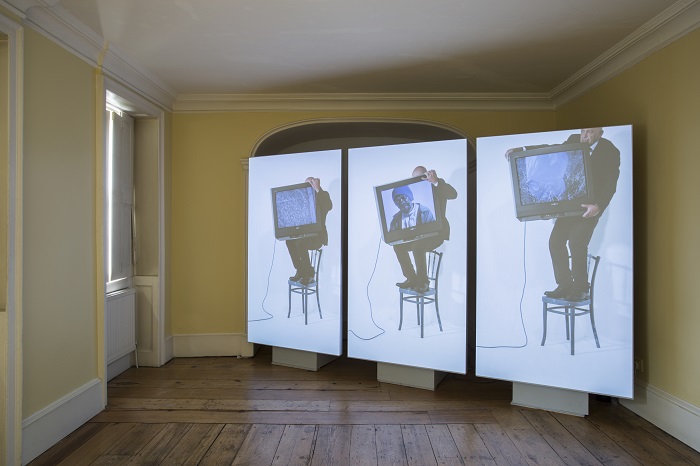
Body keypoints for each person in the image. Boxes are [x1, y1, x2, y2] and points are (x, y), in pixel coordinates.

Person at [507, 127, 620, 300]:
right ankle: (565, 285)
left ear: (600, 133)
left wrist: (597, 206)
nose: (584, 136)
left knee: (576, 242)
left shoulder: (610, 150)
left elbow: (610, 184)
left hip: (589, 208)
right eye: (583, 131)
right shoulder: (574, 139)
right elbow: (552, 150)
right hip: (570, 205)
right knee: (555, 242)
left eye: (590, 132)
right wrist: (523, 150)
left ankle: (581, 288)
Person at [393, 166, 457, 293]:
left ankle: (423, 282)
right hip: (417, 236)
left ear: (427, 175)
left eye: (421, 178)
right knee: (398, 246)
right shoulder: (411, 200)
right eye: (414, 180)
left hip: (436, 235)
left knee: (418, 246)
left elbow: (453, 194)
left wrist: (436, 181)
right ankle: (411, 278)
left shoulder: (438, 185)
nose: (418, 182)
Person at [286, 177, 332, 285]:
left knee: (300, 243)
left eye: (311, 184)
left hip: (317, 237)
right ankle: (300, 270)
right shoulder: (303, 199)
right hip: (303, 235)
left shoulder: (323, 194)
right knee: (289, 241)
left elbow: (328, 206)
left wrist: (317, 189)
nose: (308, 187)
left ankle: (309, 274)